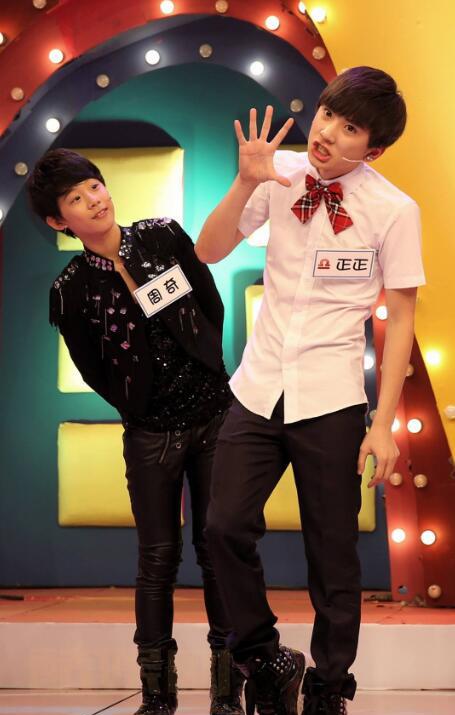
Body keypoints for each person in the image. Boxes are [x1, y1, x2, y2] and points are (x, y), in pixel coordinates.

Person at [196, 66, 425, 715]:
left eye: (349, 127)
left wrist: (382, 424)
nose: (326, 132)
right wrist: (246, 180)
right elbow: (209, 250)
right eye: (327, 113)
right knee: (222, 526)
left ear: (374, 149)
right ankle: (265, 658)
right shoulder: (279, 174)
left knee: (333, 554)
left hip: (330, 397)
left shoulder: (393, 209)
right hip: (258, 386)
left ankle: (329, 689)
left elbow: (401, 318)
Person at [27, 148, 244, 715]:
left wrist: (208, 368)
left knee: (219, 551)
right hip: (150, 434)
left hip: (214, 415)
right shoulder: (71, 288)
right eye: (75, 199)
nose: (93, 201)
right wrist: (137, 407)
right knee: (157, 560)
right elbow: (91, 368)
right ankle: (157, 694)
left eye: (94, 186)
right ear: (59, 220)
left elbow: (210, 303)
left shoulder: (162, 236)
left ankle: (228, 690)